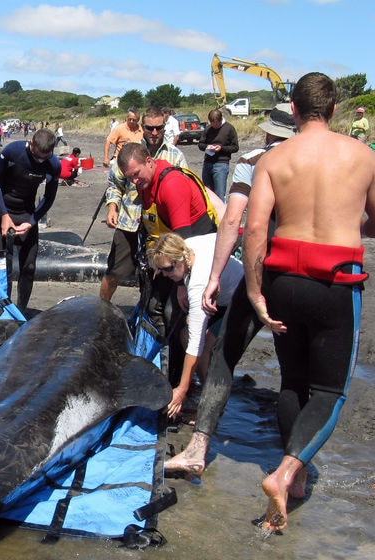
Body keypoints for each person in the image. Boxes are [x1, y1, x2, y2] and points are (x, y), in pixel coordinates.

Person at [243, 71, 375, 534]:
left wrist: (256, 291)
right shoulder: (363, 156)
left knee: (292, 382)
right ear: (335, 109)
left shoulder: (273, 159)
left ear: (293, 110)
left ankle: (293, 483)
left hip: (283, 281)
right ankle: (283, 474)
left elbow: (256, 229)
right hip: (334, 283)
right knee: (329, 392)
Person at [165, 103, 297, 477]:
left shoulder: (255, 160)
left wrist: (214, 276)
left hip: (263, 269)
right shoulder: (325, 159)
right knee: (295, 371)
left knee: (223, 361)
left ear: (269, 130)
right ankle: (293, 472)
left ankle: (198, 448)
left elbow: (235, 221)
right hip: (306, 270)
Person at [117, 142, 220, 385]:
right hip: (172, 251)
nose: (134, 182)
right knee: (152, 306)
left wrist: (182, 285)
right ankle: (157, 367)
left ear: (149, 162)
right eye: (129, 178)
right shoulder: (144, 184)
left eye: (136, 175)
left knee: (173, 313)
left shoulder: (171, 185)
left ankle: (179, 384)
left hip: (194, 252)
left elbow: (182, 244)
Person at [147, 232, 243, 419]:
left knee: (204, 343)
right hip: (221, 296)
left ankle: (213, 406)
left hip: (241, 298)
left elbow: (195, 345)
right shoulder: (188, 244)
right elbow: (226, 233)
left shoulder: (198, 284)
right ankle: (209, 390)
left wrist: (182, 389)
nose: (165, 275)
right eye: (160, 271)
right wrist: (181, 283)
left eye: (168, 269)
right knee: (185, 334)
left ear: (181, 259)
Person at [100, 107, 187, 302]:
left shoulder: (175, 155)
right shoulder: (129, 152)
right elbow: (115, 184)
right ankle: (101, 309)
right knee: (114, 272)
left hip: (160, 228)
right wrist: (112, 208)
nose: (155, 133)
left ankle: (149, 313)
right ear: (142, 127)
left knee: (154, 275)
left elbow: (184, 189)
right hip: (130, 221)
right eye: (150, 128)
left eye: (159, 128)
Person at [0, 127, 61, 310]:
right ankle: (2, 308)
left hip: (26, 212)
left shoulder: (53, 164)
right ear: (31, 144)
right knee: (2, 266)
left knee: (28, 267)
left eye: (45, 157)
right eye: (36, 156)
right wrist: (4, 215)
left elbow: (49, 197)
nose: (40, 160)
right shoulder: (12, 151)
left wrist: (32, 221)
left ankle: (21, 311)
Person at [198, 109, 239, 200]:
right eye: (212, 123)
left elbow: (235, 147)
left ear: (220, 120)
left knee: (220, 195)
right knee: (207, 194)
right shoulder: (208, 129)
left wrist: (221, 148)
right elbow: (200, 144)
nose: (214, 126)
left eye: (216, 124)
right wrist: (208, 147)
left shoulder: (229, 129)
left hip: (221, 163)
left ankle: (221, 213)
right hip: (208, 162)